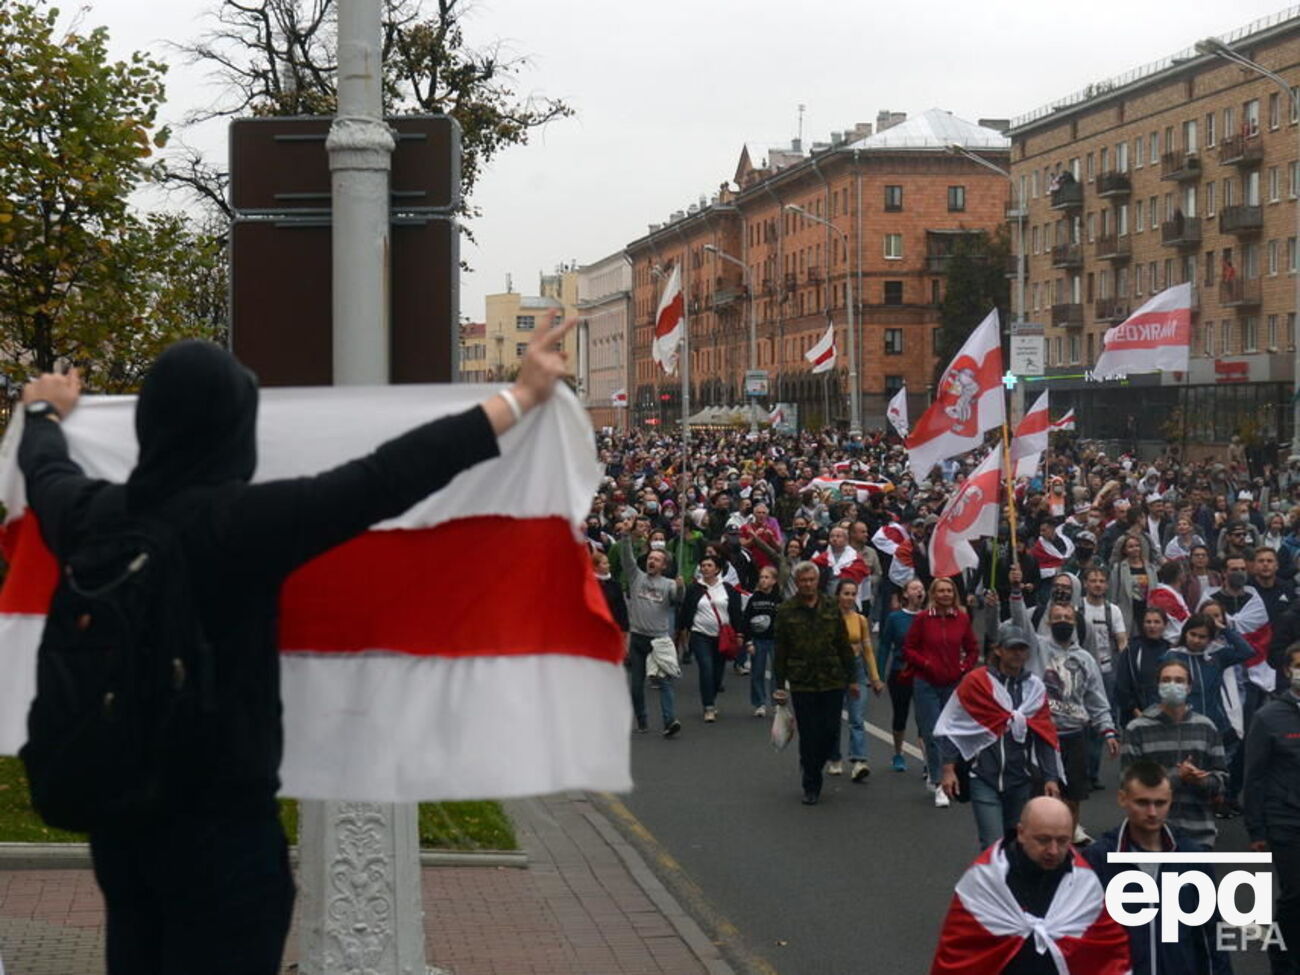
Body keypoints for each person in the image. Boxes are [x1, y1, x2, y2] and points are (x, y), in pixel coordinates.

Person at [15, 322, 573, 975]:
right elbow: (387, 476)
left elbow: (45, 467)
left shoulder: (90, 516)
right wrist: (521, 397)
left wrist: (42, 410)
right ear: (234, 429)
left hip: (121, 827)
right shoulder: (242, 524)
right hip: (224, 840)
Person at [929, 796, 1130, 974]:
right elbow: (959, 955)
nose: (1053, 850)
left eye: (1062, 841)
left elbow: (1108, 953)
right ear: (1021, 833)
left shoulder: (1084, 883)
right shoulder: (984, 881)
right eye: (1043, 840)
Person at [1084, 760, 1233, 975]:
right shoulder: (1098, 859)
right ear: (1122, 799)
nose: (1152, 812)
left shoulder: (1192, 858)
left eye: (1160, 803)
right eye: (1142, 803)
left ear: (1170, 800)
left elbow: (1210, 937)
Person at [1007, 566, 1120, 844]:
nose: (1062, 621)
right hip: (1042, 734)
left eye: (1068, 618)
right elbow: (1020, 621)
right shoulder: (1037, 647)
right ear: (1049, 621)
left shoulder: (1085, 659)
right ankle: (1035, 836)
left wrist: (1108, 730)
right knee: (1039, 792)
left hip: (1074, 734)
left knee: (1074, 792)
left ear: (1075, 622)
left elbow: (1096, 696)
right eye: (1057, 617)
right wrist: (1016, 590)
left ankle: (1070, 834)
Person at [936, 622, 1064, 851]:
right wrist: (948, 769)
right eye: (1012, 648)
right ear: (998, 650)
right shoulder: (977, 682)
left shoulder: (1034, 689)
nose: (1018, 654)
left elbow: (1044, 735)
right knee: (993, 846)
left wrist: (1051, 777)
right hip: (984, 778)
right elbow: (956, 726)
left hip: (1020, 780)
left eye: (1022, 649)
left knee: (1016, 846)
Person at [773, 562, 858, 805]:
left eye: (811, 580)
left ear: (818, 581)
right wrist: (779, 686)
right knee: (809, 734)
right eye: (803, 581)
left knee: (830, 731)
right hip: (803, 681)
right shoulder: (786, 610)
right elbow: (780, 650)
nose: (808, 584)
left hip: (832, 678)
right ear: (797, 583)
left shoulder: (831, 605)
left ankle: (813, 764)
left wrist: (852, 678)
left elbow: (843, 644)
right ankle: (811, 783)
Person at [1120, 659, 1227, 848]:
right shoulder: (1137, 729)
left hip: (1198, 834)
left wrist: (1199, 780)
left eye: (1179, 680)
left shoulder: (1206, 727)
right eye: (1166, 680)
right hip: (1151, 836)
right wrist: (1177, 777)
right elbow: (1127, 783)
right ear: (1158, 685)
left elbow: (1222, 781)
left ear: (1189, 687)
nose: (1172, 685)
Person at [1244, 642, 1300, 975]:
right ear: (1287, 670)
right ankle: (1283, 961)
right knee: (1295, 893)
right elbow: (1254, 776)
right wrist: (1256, 829)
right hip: (1285, 818)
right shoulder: (1268, 717)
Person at [902, 576, 979, 809]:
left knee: (951, 732)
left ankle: (949, 774)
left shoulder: (962, 619)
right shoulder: (923, 619)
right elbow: (909, 648)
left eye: (949, 590)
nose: (945, 594)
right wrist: (926, 663)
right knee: (933, 732)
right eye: (941, 591)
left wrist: (964, 668)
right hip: (926, 682)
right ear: (933, 594)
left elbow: (972, 649)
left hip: (953, 683)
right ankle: (937, 782)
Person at [617, 528, 683, 738]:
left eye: (657, 559)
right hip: (638, 638)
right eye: (650, 558)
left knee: (664, 682)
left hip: (659, 640)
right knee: (636, 686)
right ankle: (642, 720)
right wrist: (625, 537)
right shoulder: (636, 577)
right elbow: (626, 558)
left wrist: (681, 588)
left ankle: (670, 721)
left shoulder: (669, 584)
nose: (652, 561)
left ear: (664, 566)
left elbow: (677, 600)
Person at [828, 579, 885, 781]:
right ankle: (834, 757)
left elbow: (868, 650)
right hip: (834, 670)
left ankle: (859, 761)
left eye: (853, 594)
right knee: (832, 718)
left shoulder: (860, 620)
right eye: (846, 593)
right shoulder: (829, 618)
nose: (850, 598)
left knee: (857, 718)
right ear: (838, 596)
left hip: (857, 669)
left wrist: (875, 678)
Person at [677, 554, 745, 722]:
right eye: (703, 565)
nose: (705, 568)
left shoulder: (728, 589)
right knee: (706, 668)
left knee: (717, 672)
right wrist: (681, 631)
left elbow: (736, 612)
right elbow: (686, 610)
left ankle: (711, 698)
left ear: (717, 569)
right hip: (700, 634)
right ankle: (708, 706)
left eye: (709, 565)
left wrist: (740, 633)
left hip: (721, 636)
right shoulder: (694, 588)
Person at [878, 577, 925, 771]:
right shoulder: (895, 618)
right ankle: (898, 753)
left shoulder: (929, 617)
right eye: (914, 588)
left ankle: (928, 761)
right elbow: (884, 646)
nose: (919, 591)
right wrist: (879, 676)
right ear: (905, 594)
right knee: (900, 714)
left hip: (924, 673)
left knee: (925, 717)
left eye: (921, 588)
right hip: (900, 672)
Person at [1115, 608, 1173, 721]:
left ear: (1165, 625)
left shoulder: (1170, 651)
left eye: (1157, 622)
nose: (1152, 626)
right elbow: (1122, 684)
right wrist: (1134, 710)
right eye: (1148, 622)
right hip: (1136, 715)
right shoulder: (1131, 650)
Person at [743, 565, 782, 717]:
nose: (763, 580)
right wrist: (748, 642)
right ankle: (759, 703)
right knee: (757, 672)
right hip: (758, 640)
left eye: (767, 577)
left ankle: (776, 702)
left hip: (775, 640)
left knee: (777, 673)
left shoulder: (778, 599)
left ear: (774, 581)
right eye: (761, 577)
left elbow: (784, 621)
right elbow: (746, 621)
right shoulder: (754, 599)